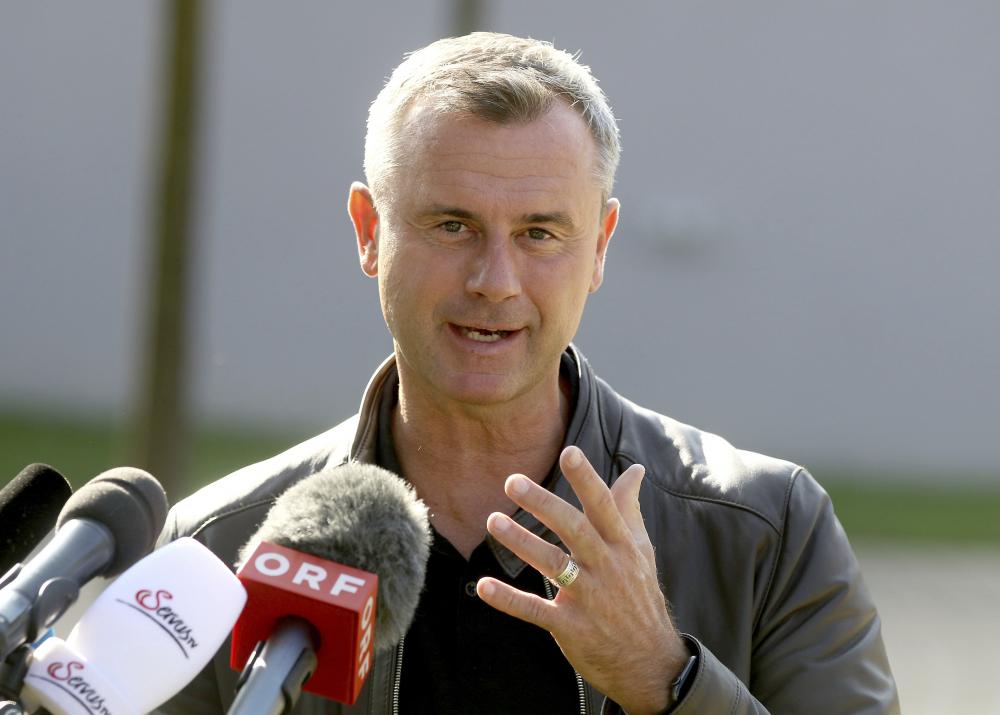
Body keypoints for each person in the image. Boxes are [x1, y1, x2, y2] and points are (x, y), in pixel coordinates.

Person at [157, 32, 899, 714]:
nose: (495, 281)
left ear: (600, 246)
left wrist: (663, 676)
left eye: (539, 233)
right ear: (370, 231)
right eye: (453, 226)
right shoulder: (217, 548)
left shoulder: (768, 531)